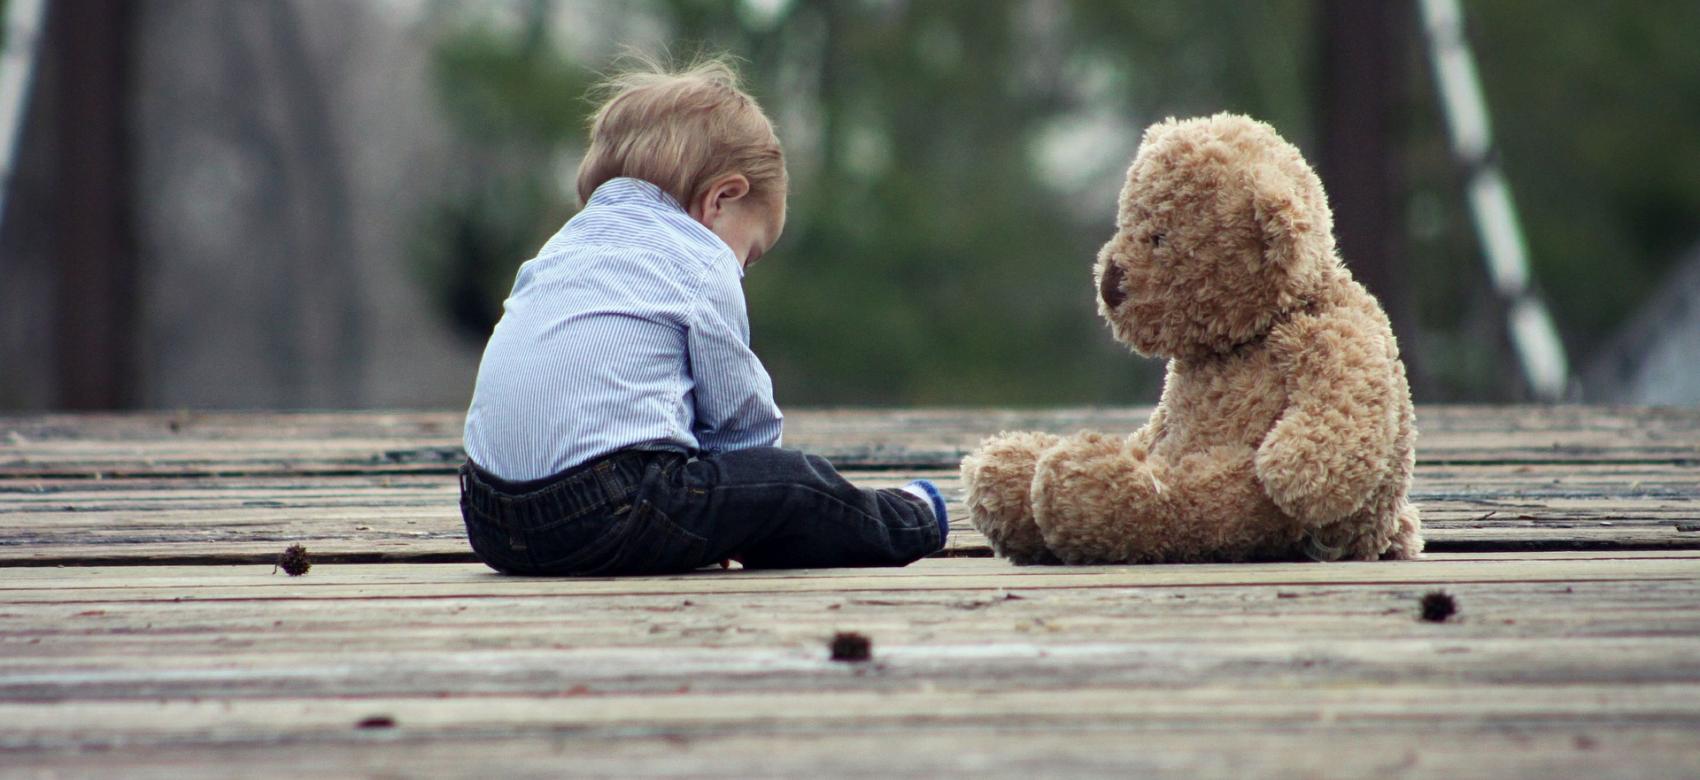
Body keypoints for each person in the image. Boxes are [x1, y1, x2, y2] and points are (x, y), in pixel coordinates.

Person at [457, 57, 947, 576]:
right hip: (604, 512)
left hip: (489, 519)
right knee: (796, 484)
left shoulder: (561, 248)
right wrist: (751, 502)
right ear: (722, 198)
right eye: (751, 253)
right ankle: (912, 517)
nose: (742, 269)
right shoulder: (700, 258)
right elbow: (741, 425)